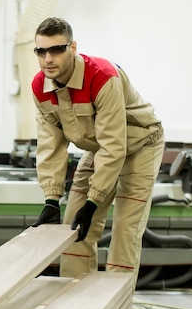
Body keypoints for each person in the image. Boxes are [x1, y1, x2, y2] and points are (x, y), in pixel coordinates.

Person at [30, 17, 164, 286]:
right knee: (74, 228)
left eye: (56, 49)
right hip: (99, 148)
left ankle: (114, 308)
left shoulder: (102, 77)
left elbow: (115, 144)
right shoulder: (40, 86)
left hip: (140, 146)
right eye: (41, 51)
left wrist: (94, 201)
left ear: (73, 47)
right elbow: (50, 145)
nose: (48, 59)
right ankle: (74, 301)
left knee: (125, 229)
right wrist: (51, 198)